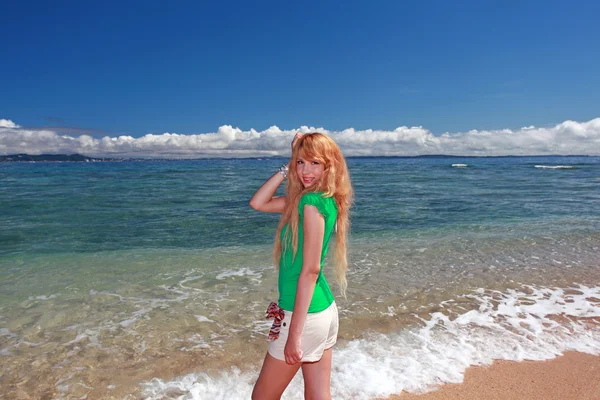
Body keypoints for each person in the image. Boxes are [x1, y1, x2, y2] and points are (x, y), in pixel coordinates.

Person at [249, 132, 352, 400]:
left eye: (315, 163)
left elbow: (310, 271)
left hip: (303, 316)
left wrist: (294, 334)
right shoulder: (321, 199)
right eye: (301, 163)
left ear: (329, 165)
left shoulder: (309, 203)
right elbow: (258, 203)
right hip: (324, 311)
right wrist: (288, 164)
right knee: (318, 395)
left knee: (262, 397)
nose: (306, 170)